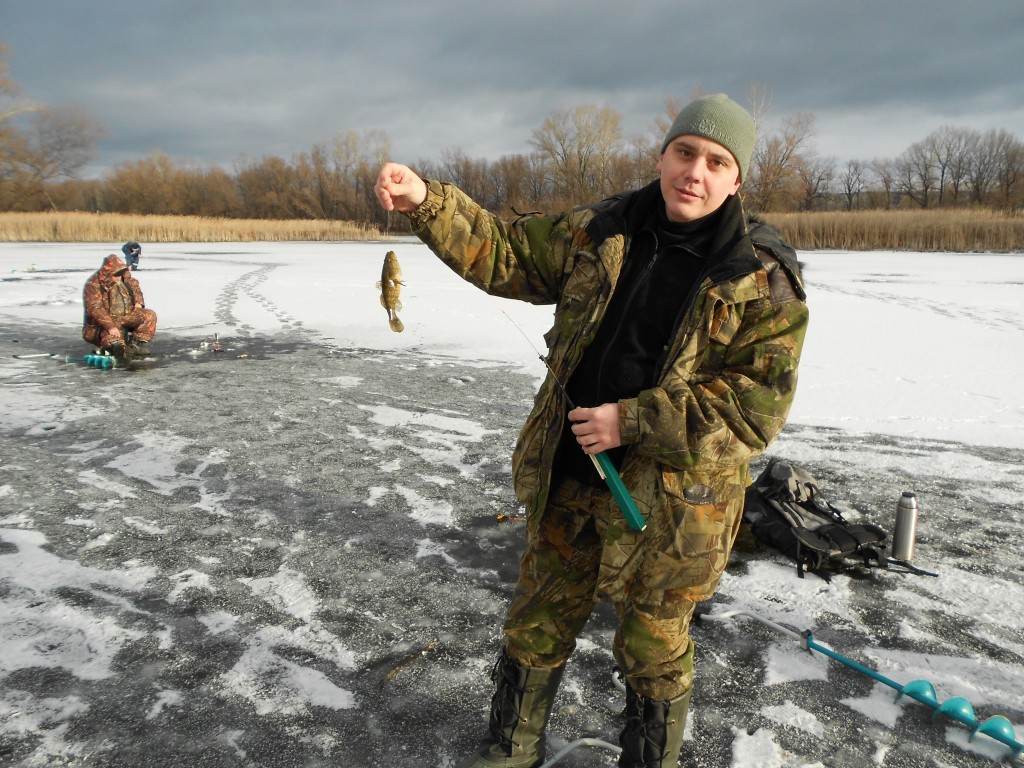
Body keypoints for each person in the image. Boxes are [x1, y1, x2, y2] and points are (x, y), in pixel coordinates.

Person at [375, 93, 809, 768]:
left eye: (716, 162)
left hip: (674, 506)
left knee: (652, 648)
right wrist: (426, 201)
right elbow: (507, 254)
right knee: (537, 619)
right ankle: (510, 751)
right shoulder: (603, 229)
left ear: (737, 180)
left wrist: (629, 421)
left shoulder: (762, 278)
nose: (695, 172)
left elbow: (753, 411)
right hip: (573, 471)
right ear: (663, 156)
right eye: (685, 152)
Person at [82, 253, 157, 358]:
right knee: (113, 338)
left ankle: (134, 345)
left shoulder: (125, 278)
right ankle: (114, 349)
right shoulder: (93, 284)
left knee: (149, 316)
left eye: (119, 275)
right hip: (105, 321)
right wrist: (110, 326)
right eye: (115, 275)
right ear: (108, 273)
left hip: (126, 315)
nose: (118, 278)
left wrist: (139, 303)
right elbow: (95, 308)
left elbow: (136, 288)